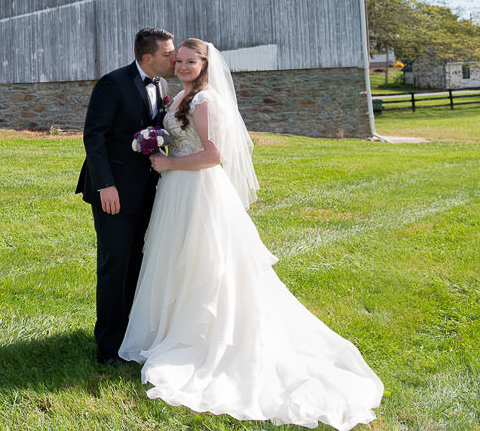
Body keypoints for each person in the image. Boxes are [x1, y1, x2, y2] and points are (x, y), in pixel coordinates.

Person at [118, 38, 383, 431]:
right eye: (181, 61)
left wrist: (168, 161)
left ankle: (208, 333)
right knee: (176, 257)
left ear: (206, 65)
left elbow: (213, 155)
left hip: (199, 191)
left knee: (205, 261)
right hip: (176, 191)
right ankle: (172, 327)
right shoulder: (180, 98)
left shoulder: (207, 101)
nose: (185, 66)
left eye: (193, 62)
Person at [77, 27, 176, 366]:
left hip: (146, 189)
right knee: (114, 265)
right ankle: (107, 347)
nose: (173, 58)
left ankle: (129, 336)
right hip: (113, 192)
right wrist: (106, 185)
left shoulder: (162, 85)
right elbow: (94, 137)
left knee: (137, 262)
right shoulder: (112, 83)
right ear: (147, 57)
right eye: (167, 53)